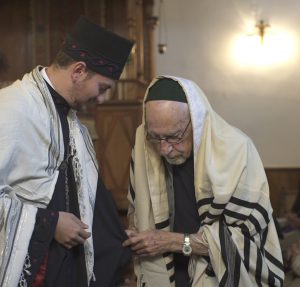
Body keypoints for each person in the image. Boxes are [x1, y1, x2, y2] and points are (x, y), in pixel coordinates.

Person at [0, 16, 133, 287]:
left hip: (63, 266)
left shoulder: (71, 119)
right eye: (102, 88)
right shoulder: (12, 107)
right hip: (32, 267)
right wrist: (49, 223)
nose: (101, 99)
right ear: (79, 70)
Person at [123, 76, 285, 286]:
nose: (164, 149)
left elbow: (246, 241)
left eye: (174, 136)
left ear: (197, 120)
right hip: (166, 271)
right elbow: (137, 213)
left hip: (218, 276)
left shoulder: (236, 152)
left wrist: (173, 242)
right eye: (155, 137)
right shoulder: (145, 150)